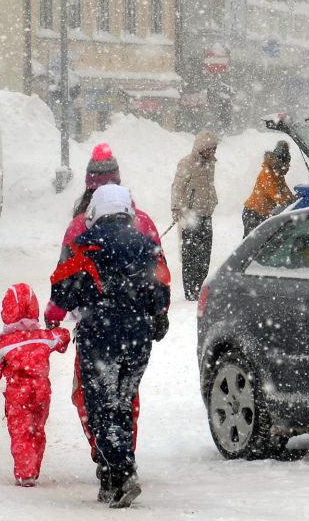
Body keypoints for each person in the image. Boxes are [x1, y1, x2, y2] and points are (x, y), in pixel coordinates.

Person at [45, 143, 172, 483]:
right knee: (125, 400)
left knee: (95, 399)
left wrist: (55, 314)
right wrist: (159, 313)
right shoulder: (144, 228)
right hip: (137, 332)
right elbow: (160, 276)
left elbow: (63, 282)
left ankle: (111, 461)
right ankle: (123, 456)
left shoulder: (80, 232)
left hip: (97, 331)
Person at [0, 283, 71, 487]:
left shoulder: (4, 344)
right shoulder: (43, 337)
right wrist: (55, 329)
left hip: (18, 394)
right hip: (42, 392)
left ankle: (26, 472)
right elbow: (63, 337)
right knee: (37, 430)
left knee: (21, 432)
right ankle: (33, 467)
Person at [170, 131, 219, 301]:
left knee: (205, 255)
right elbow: (177, 186)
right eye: (209, 148)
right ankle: (191, 292)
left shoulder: (211, 163)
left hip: (206, 215)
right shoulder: (187, 163)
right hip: (191, 216)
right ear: (200, 148)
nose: (212, 152)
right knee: (191, 256)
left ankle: (201, 288)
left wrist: (213, 200)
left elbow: (209, 185)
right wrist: (176, 208)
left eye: (214, 148)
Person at [242, 139, 294, 237]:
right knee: (253, 243)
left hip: (263, 214)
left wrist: (293, 199)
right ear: (279, 163)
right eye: (285, 166)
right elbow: (276, 195)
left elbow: (284, 190)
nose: (287, 169)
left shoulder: (278, 174)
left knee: (262, 241)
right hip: (253, 213)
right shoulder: (267, 174)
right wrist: (289, 202)